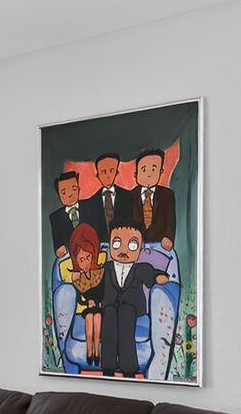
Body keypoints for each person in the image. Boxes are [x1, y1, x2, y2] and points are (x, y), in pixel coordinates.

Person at [97, 222, 169, 377]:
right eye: (117, 243)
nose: (123, 250)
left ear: (141, 247)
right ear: (109, 245)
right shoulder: (105, 267)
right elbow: (96, 285)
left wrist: (159, 277)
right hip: (110, 306)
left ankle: (128, 368)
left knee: (126, 320)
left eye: (132, 245)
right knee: (109, 324)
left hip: (131, 308)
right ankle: (107, 368)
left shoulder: (141, 268)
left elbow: (152, 274)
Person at [56, 222, 106, 365]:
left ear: (94, 255)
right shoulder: (77, 278)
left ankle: (97, 350)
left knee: (97, 318)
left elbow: (104, 290)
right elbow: (79, 299)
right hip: (88, 307)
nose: (85, 263)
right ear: (76, 260)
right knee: (90, 319)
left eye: (88, 258)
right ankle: (90, 352)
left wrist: (100, 302)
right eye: (81, 259)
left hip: (100, 307)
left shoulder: (101, 272)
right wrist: (87, 302)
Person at [131, 148, 178, 251]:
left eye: (154, 169)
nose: (149, 174)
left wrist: (168, 238)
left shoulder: (167, 195)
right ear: (136, 174)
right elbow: (128, 222)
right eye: (143, 169)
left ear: (161, 172)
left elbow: (170, 221)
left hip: (160, 245)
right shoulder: (130, 195)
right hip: (135, 246)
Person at [80, 151, 130, 242]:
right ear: (98, 175)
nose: (107, 176)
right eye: (103, 172)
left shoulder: (129, 197)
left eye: (111, 171)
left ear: (116, 172)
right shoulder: (89, 204)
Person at [47, 171, 84, 257]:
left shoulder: (89, 206)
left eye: (74, 189)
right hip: (70, 255)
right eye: (64, 192)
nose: (70, 194)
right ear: (58, 195)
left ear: (79, 189)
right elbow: (58, 247)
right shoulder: (56, 217)